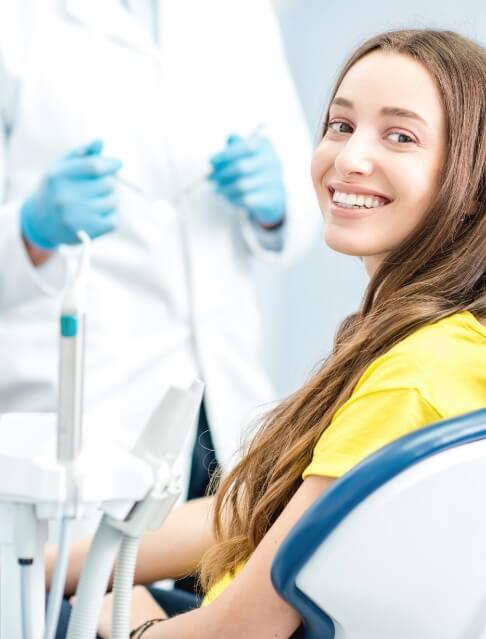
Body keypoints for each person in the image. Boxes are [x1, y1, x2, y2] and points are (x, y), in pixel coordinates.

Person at [49, 28, 486, 638]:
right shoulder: (442, 342)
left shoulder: (416, 377)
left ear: (472, 185)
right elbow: (260, 511)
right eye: (340, 125)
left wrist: (132, 624)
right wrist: (63, 563)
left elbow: (241, 630)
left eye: (400, 136)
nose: (350, 158)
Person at [0, 0, 317, 504]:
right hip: (82, 400)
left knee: (217, 566)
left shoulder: (244, 15)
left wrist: (279, 203)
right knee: (85, 576)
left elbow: (312, 194)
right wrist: (30, 229)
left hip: (224, 396)